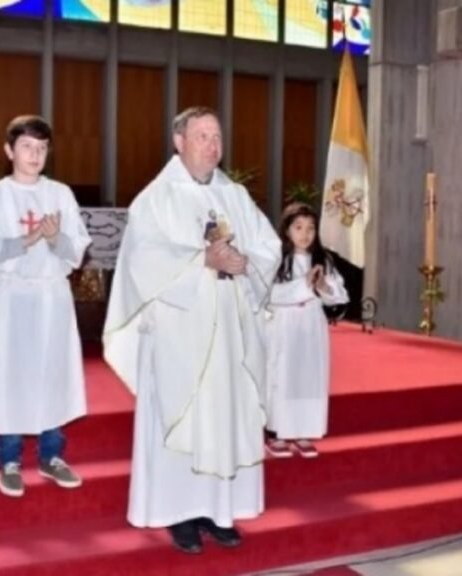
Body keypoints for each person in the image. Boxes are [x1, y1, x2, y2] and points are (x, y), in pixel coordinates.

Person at [103, 106, 281, 554]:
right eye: (202, 136)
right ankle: (177, 512)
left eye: (217, 137)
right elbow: (143, 259)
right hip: (177, 333)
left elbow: (269, 245)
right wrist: (203, 260)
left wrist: (246, 263)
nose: (212, 145)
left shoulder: (234, 195)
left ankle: (216, 511)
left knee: (221, 418)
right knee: (180, 416)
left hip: (228, 335)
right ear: (179, 142)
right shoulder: (156, 198)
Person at [0, 115, 92, 498]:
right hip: (11, 298)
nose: (35, 154)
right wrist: (29, 238)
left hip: (51, 296)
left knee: (51, 373)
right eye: (26, 146)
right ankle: (9, 459)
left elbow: (77, 250)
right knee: (12, 375)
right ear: (10, 151)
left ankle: (51, 455)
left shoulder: (61, 194)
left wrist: (54, 240)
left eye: (41, 148)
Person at [264, 203, 349, 459]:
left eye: (311, 228)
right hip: (285, 326)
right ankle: (277, 433)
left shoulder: (323, 260)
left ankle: (303, 430)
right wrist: (304, 285)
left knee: (309, 377)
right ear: (287, 230)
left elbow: (339, 296)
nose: (305, 234)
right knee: (284, 376)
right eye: (298, 227)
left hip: (311, 326)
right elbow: (268, 294)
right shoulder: (276, 260)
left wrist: (322, 286)